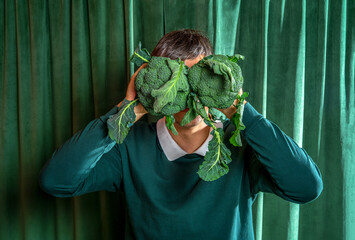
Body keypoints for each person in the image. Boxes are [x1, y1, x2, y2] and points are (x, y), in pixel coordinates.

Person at [40, 29, 323, 240]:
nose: (190, 97)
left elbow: (307, 187)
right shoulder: (129, 147)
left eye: (199, 80)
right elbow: (56, 181)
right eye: (176, 83)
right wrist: (126, 110)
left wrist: (241, 112)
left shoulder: (243, 144)